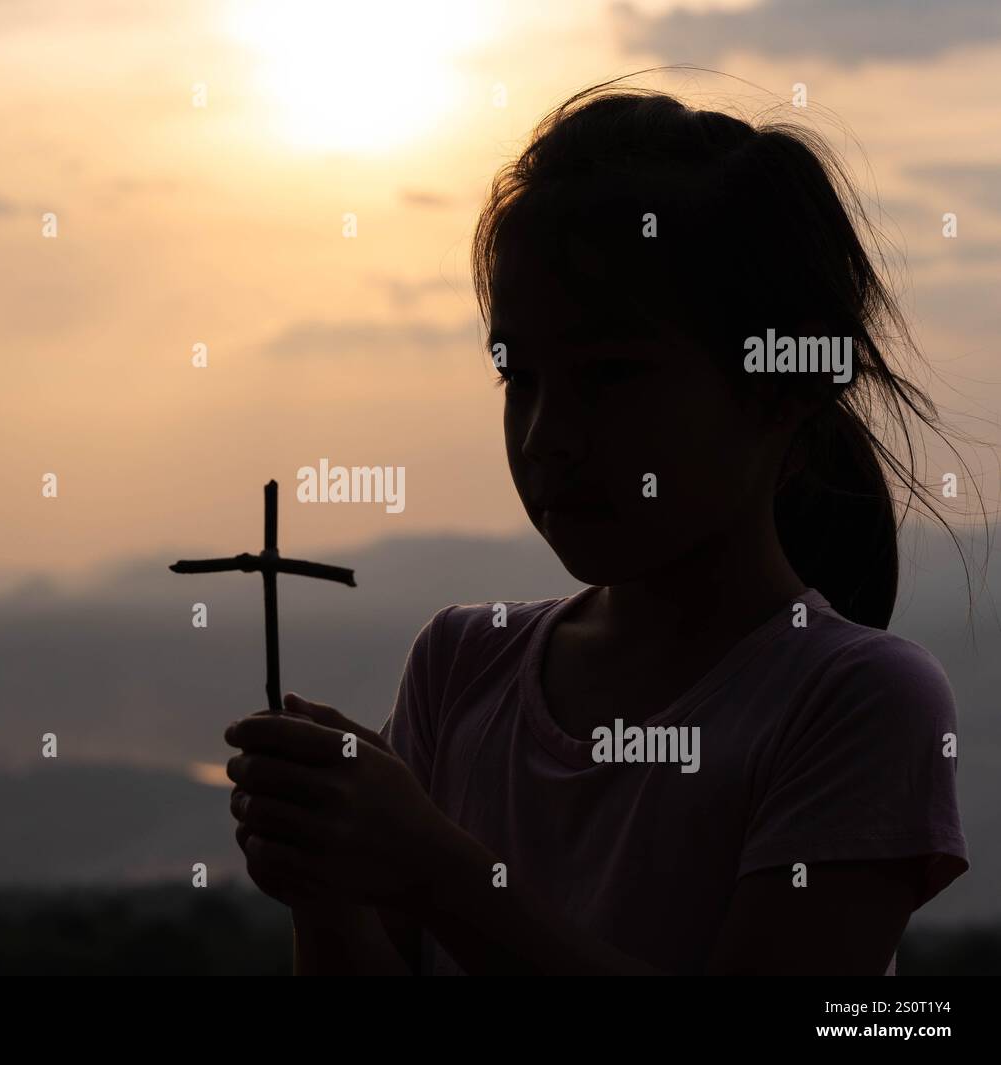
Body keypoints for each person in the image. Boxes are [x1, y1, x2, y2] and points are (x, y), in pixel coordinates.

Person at [223, 78, 972, 975]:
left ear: (787, 385)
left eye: (610, 375)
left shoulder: (857, 701)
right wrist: (330, 880)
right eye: (520, 377)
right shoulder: (462, 667)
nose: (546, 440)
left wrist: (434, 867)